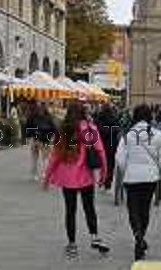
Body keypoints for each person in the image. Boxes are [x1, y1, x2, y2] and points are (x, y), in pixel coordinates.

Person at [43, 102, 110, 259]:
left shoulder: (63, 130)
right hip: (86, 176)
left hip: (67, 177)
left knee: (70, 210)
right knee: (89, 207)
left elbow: (55, 156)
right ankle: (95, 237)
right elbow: (100, 151)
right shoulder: (89, 128)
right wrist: (104, 173)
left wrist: (47, 177)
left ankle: (72, 244)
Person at [116, 104, 161, 260]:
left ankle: (138, 236)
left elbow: (119, 159)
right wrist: (156, 167)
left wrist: (127, 169)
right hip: (150, 178)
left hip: (131, 178)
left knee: (133, 209)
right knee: (145, 209)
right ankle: (141, 236)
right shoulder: (157, 134)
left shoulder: (127, 135)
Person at [95, 103, 119, 191]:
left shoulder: (98, 118)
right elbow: (117, 129)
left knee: (102, 163)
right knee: (110, 164)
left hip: (101, 144)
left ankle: (102, 179)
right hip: (112, 144)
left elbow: (96, 129)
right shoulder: (114, 118)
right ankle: (108, 181)